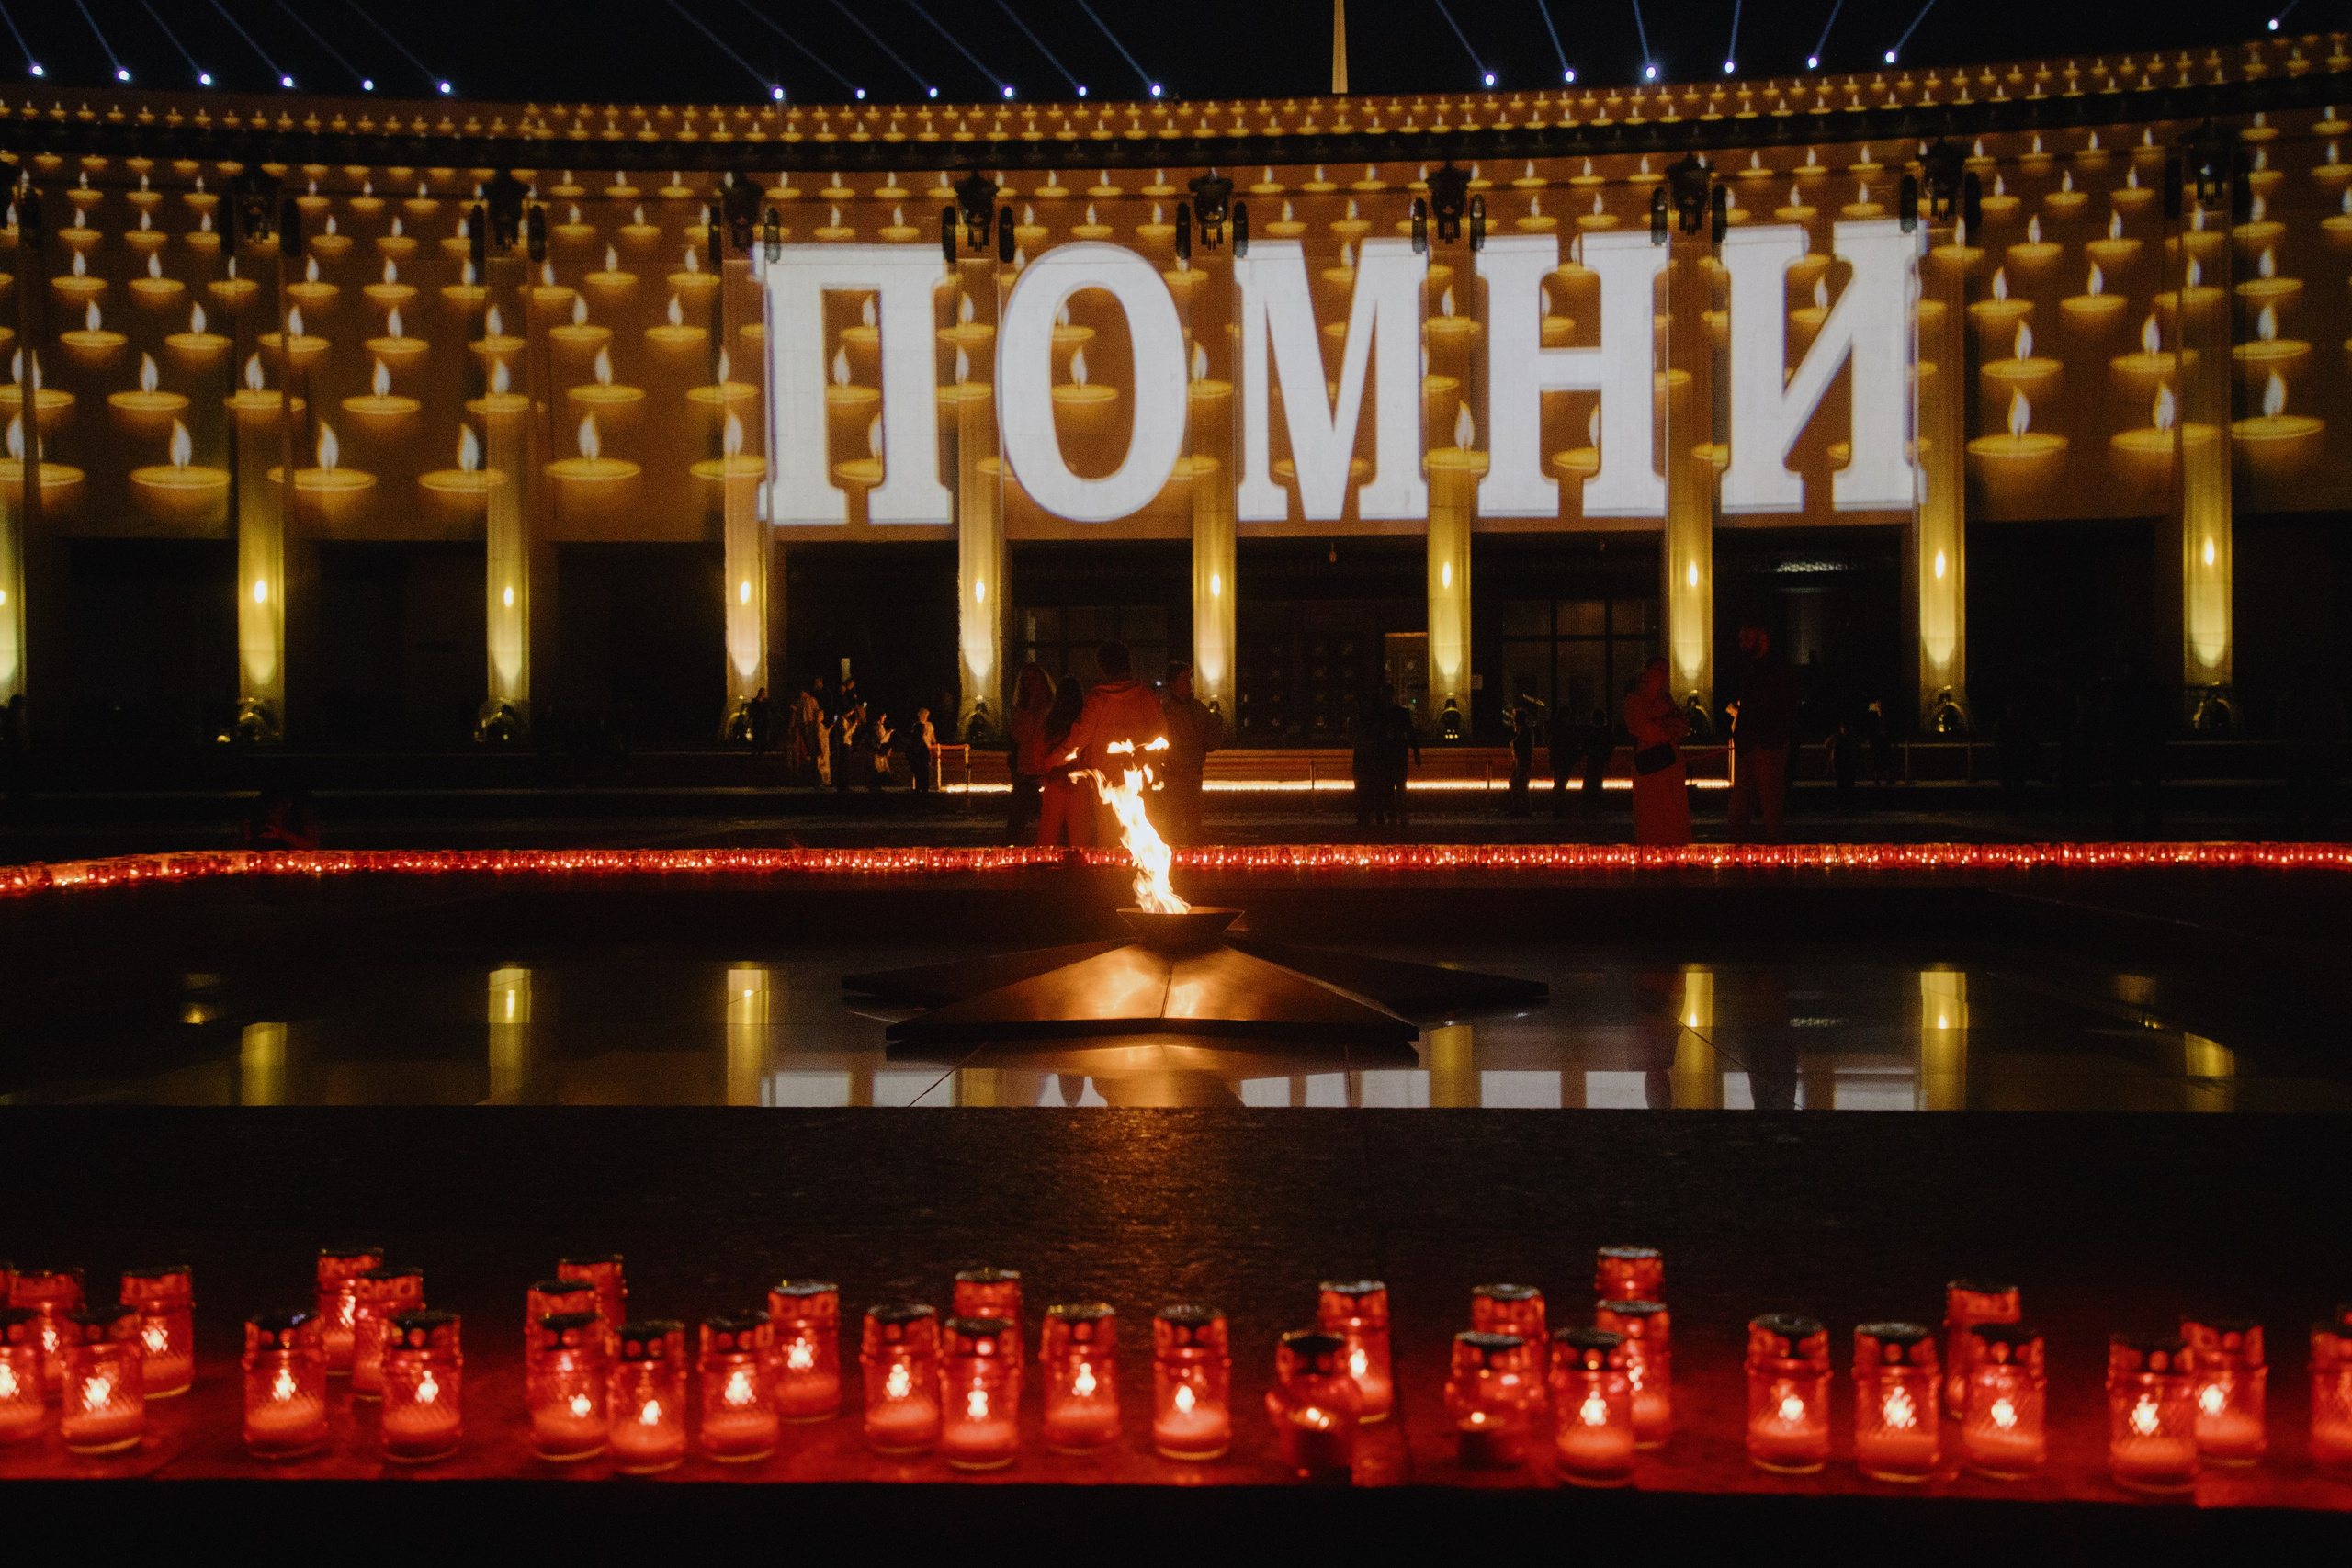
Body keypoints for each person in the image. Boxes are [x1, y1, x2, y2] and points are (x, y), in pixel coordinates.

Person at [1051, 641, 1170, 779]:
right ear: (1128, 663)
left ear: (1103, 668)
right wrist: (1155, 764)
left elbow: (1080, 736)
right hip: (1140, 774)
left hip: (1106, 778)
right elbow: (1161, 733)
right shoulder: (1146, 696)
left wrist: (1054, 760)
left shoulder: (1098, 699)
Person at [1725, 626, 1797, 844]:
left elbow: (1785, 707)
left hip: (1766, 745)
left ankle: (1776, 851)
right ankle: (1739, 850)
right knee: (1740, 806)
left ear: (1762, 638)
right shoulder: (1751, 667)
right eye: (1741, 638)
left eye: (1746, 637)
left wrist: (1770, 738)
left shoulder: (1776, 668)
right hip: (1750, 743)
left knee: (1770, 804)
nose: (1742, 643)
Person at [1625, 658, 1692, 846]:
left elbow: (1682, 724)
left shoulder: (1666, 699)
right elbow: (1643, 727)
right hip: (1650, 764)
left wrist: (1669, 726)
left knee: (1673, 811)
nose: (1663, 674)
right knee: (1651, 812)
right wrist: (1666, 729)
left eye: (1666, 670)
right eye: (1659, 669)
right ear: (1647, 671)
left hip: (1671, 763)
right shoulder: (1635, 699)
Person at [1159, 660, 1221, 846]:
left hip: (1193, 777)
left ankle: (1194, 863)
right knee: (1173, 827)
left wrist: (1217, 725)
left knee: (1195, 825)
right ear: (1172, 683)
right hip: (1173, 778)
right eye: (1184, 680)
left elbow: (1211, 743)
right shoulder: (1164, 713)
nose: (1189, 684)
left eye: (1190, 680)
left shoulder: (1198, 710)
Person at [1036, 676, 1092, 846]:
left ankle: (1043, 863)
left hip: (1058, 781)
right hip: (1076, 782)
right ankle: (1081, 864)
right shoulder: (1084, 721)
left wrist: (1047, 766)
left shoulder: (1051, 721)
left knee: (1049, 828)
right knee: (1079, 831)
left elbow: (1040, 749)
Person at [1004, 662, 1055, 844]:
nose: (1030, 683)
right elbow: (1020, 736)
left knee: (1050, 817)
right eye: (1026, 680)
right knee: (1018, 816)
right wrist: (1029, 712)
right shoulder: (1021, 708)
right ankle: (1010, 849)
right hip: (1025, 768)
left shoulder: (1053, 707)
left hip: (1046, 766)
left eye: (1034, 678)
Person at [1378, 690, 1421, 828]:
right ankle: (1401, 814)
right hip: (1398, 753)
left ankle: (1393, 815)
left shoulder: (1380, 714)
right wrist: (1416, 753)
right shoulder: (1402, 713)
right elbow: (1410, 733)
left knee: (1391, 785)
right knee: (1399, 785)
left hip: (1388, 754)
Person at [1578, 706, 1615, 822]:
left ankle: (1590, 807)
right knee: (1597, 782)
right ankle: (1596, 808)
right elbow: (1609, 747)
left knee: (1590, 782)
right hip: (1600, 760)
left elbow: (1586, 747)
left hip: (1594, 760)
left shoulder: (1593, 733)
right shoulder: (1607, 732)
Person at [1547, 701, 1577, 818]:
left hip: (1556, 760)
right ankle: (1559, 809)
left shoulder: (1553, 729)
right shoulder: (1564, 729)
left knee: (1558, 784)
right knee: (1561, 785)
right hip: (1563, 761)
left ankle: (1557, 808)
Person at [1506, 705, 1536, 817]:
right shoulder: (1524, 730)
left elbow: (1519, 746)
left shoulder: (1524, 731)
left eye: (1515, 717)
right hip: (1520, 761)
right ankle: (1521, 808)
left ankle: (1523, 808)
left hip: (1521, 762)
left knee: (1520, 784)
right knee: (1517, 783)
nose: (1514, 720)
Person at [907, 706, 937, 796]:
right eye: (924, 714)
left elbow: (932, 737)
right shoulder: (916, 725)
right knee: (918, 771)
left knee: (925, 770)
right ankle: (918, 787)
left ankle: (925, 787)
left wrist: (934, 746)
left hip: (926, 749)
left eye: (927, 715)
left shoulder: (930, 725)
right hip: (919, 749)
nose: (925, 716)